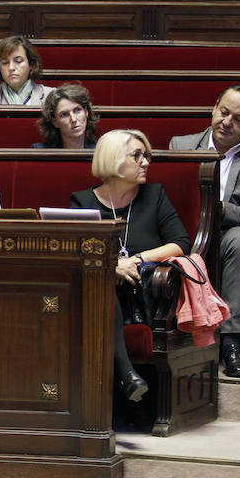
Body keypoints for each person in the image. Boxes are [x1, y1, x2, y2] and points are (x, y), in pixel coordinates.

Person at [72, 129, 191, 402]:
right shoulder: (82, 202)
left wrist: (137, 260)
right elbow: (78, 253)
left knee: (101, 287)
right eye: (137, 155)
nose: (145, 162)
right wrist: (110, 266)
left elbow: (181, 242)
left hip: (143, 295)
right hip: (100, 292)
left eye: (146, 155)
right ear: (113, 159)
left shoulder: (154, 196)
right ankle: (127, 375)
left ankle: (124, 376)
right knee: (100, 284)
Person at [169, 84, 240, 378]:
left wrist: (216, 207)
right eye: (223, 112)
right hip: (184, 231)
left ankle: (233, 344)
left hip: (227, 233)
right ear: (215, 107)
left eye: (238, 119)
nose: (226, 122)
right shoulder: (181, 145)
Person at [0, 35, 54, 106]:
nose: (11, 68)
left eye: (18, 61)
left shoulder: (50, 96)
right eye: (5, 63)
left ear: (31, 64)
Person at [33, 84, 99, 149]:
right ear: (55, 122)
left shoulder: (101, 150)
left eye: (77, 110)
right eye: (64, 114)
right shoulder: (39, 151)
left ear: (86, 112)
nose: (73, 119)